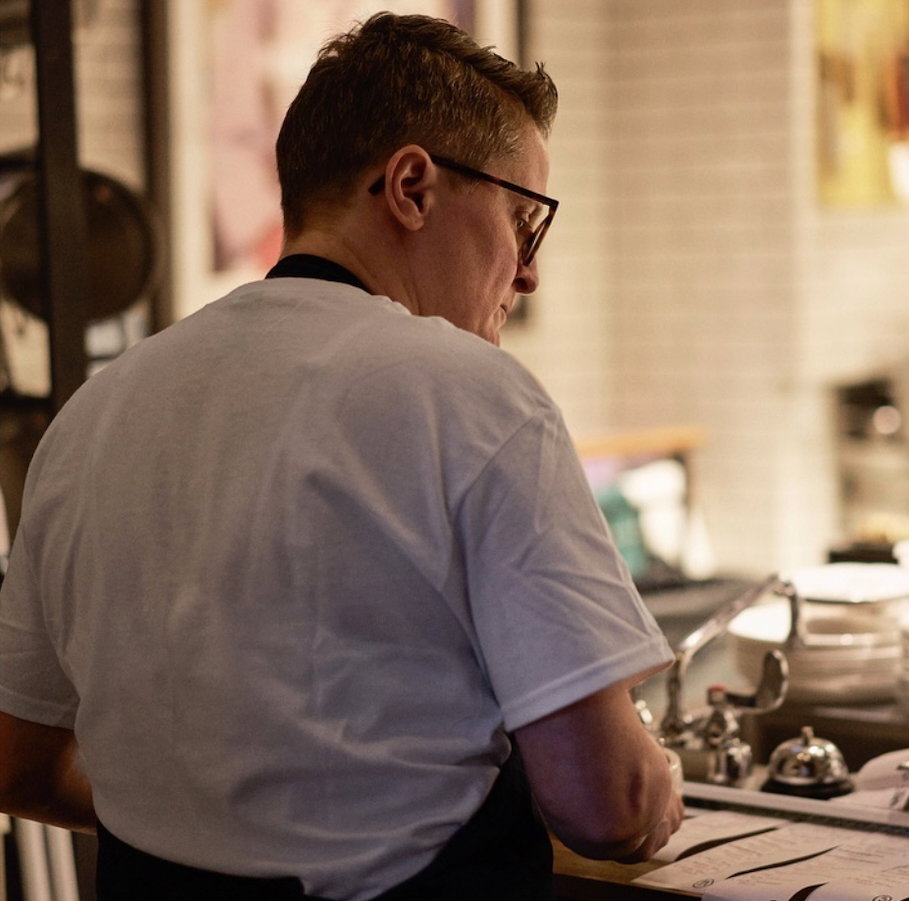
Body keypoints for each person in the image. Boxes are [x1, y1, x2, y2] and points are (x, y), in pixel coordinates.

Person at [0, 13, 683, 901]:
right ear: (410, 186)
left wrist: (213, 828)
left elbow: (15, 762)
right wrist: (657, 785)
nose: (528, 274)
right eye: (525, 221)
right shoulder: (472, 396)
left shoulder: (96, 412)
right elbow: (604, 802)